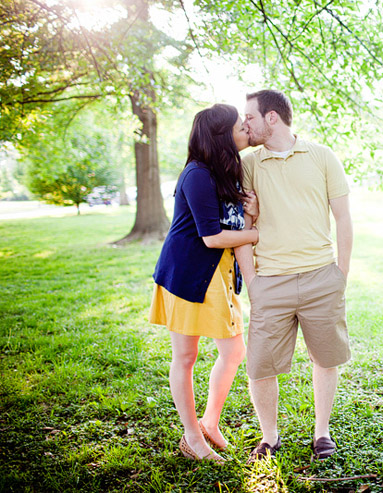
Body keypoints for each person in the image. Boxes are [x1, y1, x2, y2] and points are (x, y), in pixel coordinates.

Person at [236, 89, 353, 461]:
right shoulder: (248, 164)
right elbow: (243, 226)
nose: (245, 124)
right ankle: (269, 437)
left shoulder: (322, 156)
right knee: (260, 366)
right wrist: (253, 283)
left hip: (322, 277)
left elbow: (344, 218)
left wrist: (341, 274)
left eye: (250, 117)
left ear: (272, 118)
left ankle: (322, 433)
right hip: (270, 282)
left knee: (325, 358)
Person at [149, 104, 258, 463]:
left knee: (233, 351)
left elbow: (231, 224)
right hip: (188, 274)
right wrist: (254, 234)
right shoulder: (197, 174)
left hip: (219, 274)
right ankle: (192, 437)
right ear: (221, 134)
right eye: (240, 124)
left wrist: (248, 215)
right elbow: (211, 237)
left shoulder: (226, 172)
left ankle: (210, 423)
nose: (246, 127)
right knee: (185, 355)